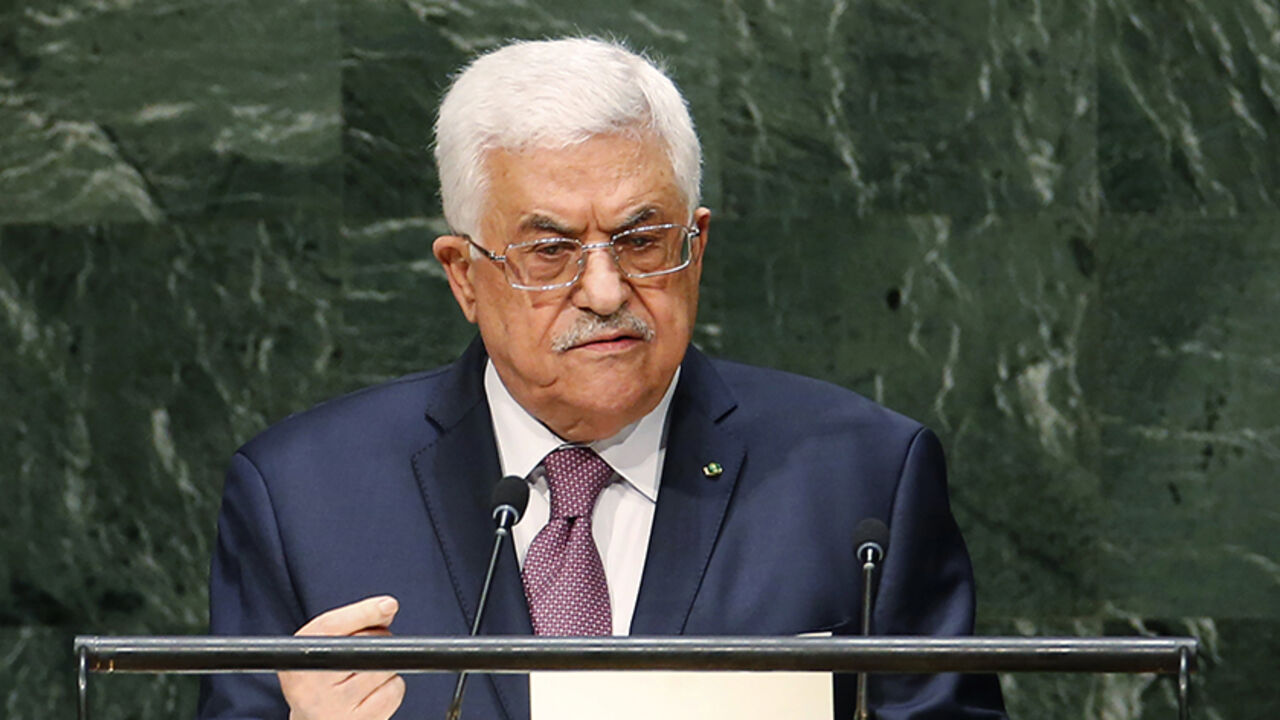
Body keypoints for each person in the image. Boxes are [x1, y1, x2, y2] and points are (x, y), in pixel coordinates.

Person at [198, 37, 1007, 720]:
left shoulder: (860, 478)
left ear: (697, 245)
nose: (607, 291)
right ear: (464, 277)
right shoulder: (301, 497)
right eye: (549, 251)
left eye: (643, 240)